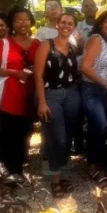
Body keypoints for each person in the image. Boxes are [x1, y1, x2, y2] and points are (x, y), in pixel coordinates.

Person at [0, 7, 40, 180]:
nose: (23, 23)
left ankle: (17, 168)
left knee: (25, 133)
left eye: (26, 19)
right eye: (18, 20)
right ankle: (5, 169)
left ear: (31, 21)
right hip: (10, 95)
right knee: (9, 134)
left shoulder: (37, 44)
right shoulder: (4, 44)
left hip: (29, 95)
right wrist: (14, 72)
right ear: (12, 23)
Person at [34, 13, 81, 197]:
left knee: (68, 136)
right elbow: (38, 75)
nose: (66, 25)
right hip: (50, 95)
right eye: (63, 22)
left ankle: (61, 174)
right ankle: (55, 179)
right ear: (57, 24)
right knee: (58, 138)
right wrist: (42, 102)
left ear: (74, 27)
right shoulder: (46, 45)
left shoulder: (72, 47)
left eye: (70, 23)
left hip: (71, 94)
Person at [80, 11, 107, 187]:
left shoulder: (105, 42)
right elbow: (85, 67)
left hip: (101, 91)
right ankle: (92, 166)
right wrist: (106, 84)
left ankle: (97, 163)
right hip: (91, 89)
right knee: (100, 125)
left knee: (99, 127)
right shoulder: (96, 39)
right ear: (100, 23)